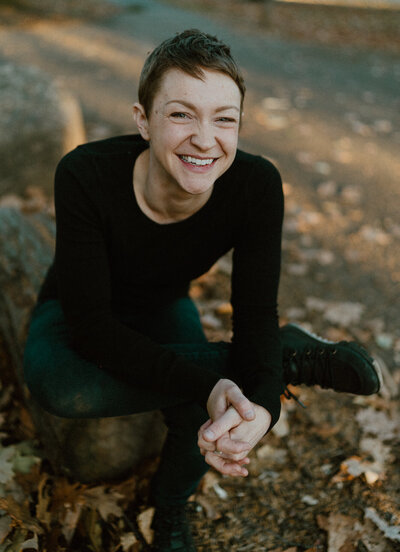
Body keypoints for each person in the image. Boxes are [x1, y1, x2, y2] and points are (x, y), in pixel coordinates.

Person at [23, 29, 381, 552]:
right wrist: (228, 377)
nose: (205, 138)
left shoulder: (255, 186)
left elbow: (255, 314)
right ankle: (291, 358)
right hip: (78, 310)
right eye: (181, 114)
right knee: (63, 388)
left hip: (163, 302)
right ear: (143, 120)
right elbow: (92, 327)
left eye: (224, 118)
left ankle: (171, 510)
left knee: (205, 404)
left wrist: (260, 406)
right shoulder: (85, 173)